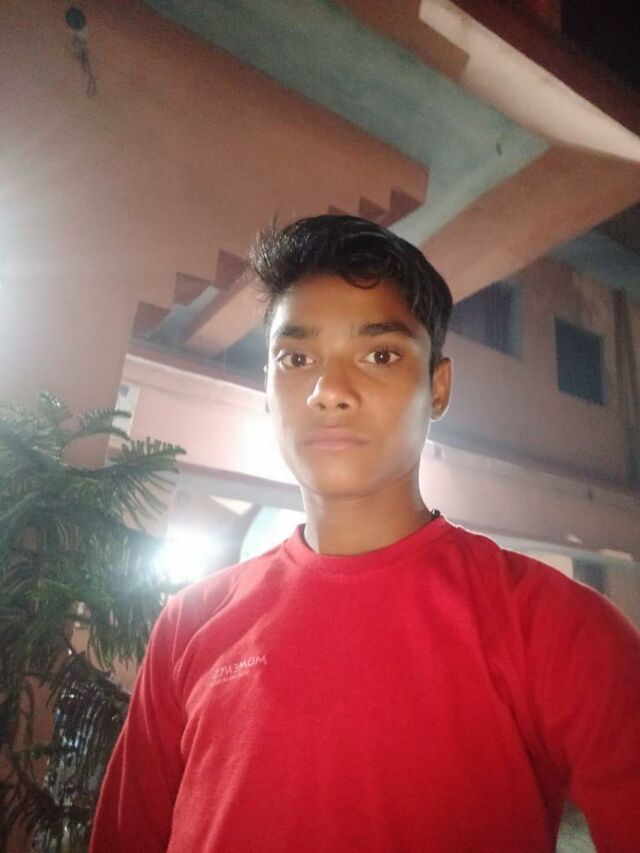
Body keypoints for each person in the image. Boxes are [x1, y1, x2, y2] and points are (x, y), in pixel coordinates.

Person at [89, 215, 640, 852]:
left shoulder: (553, 627)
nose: (329, 392)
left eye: (380, 355)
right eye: (296, 359)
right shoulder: (188, 623)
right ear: (268, 389)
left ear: (438, 388)